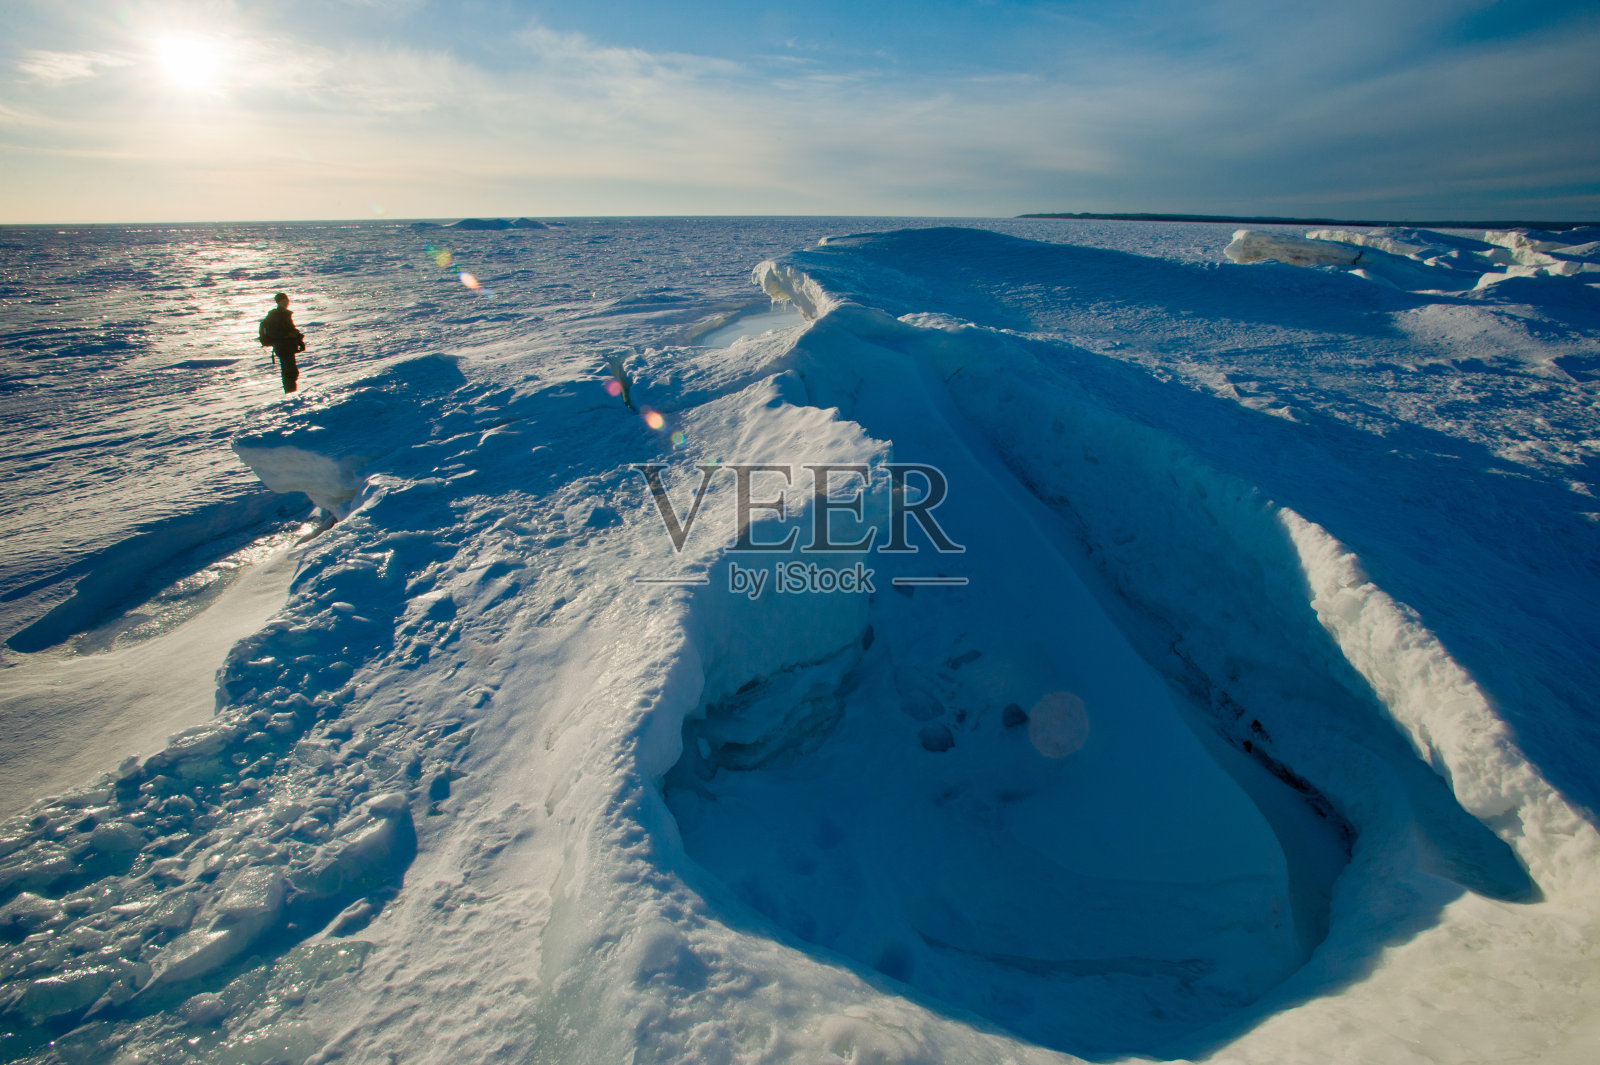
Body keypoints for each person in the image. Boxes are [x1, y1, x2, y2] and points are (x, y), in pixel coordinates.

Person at [258, 292, 306, 393]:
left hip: (288, 346)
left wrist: (299, 340)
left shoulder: (285, 314)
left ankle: (291, 392)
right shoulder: (275, 315)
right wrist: (288, 335)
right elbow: (273, 332)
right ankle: (290, 393)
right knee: (289, 371)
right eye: (283, 301)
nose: (285, 302)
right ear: (278, 302)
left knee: (291, 371)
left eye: (286, 300)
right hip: (282, 347)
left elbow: (291, 330)